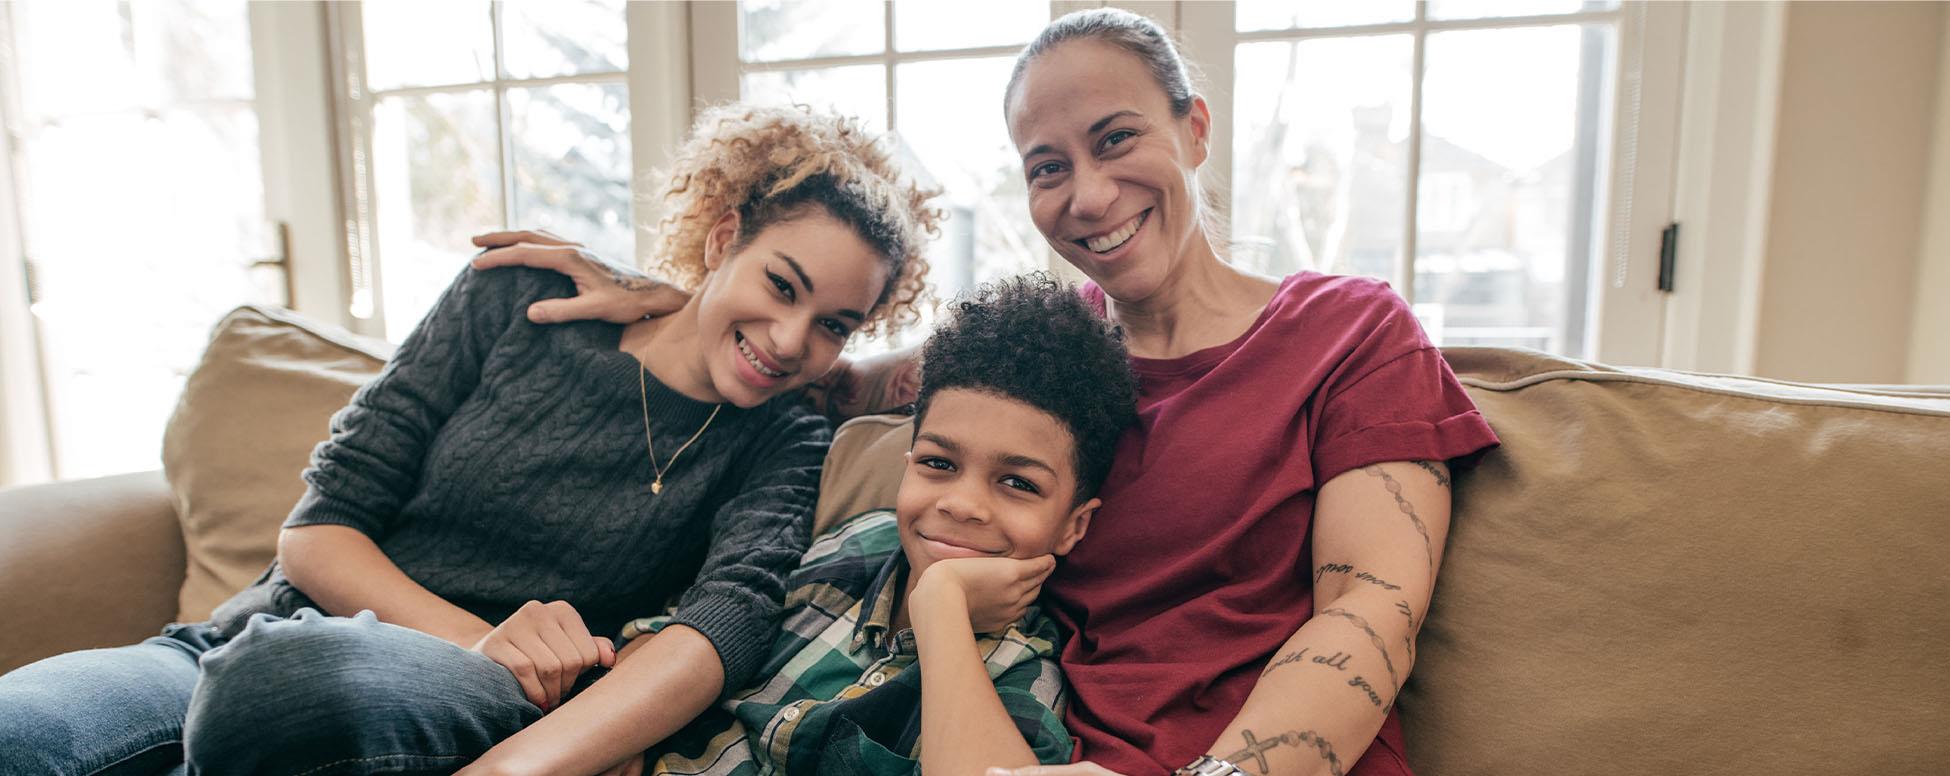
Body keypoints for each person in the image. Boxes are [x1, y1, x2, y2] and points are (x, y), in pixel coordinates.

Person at [476, 9, 1500, 776]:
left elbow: (1368, 609)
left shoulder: (1350, 331)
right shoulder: (1041, 367)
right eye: (1045, 166)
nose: (1087, 196)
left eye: (1117, 139)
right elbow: (817, 363)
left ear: (1193, 129)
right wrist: (669, 301)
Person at [0, 103, 939, 776]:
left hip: (441, 696)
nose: (791, 341)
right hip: (243, 637)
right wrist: (491, 639)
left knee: (281, 686)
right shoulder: (517, 299)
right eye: (781, 284)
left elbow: (721, 628)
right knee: (22, 727)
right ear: (721, 237)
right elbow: (317, 530)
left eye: (835, 324)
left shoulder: (780, 437)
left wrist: (496, 680)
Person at [574, 273, 1137, 775]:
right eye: (940, 464)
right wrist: (619, 725)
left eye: (1018, 483)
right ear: (909, 463)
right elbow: (683, 630)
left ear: (1073, 526)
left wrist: (940, 606)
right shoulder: (849, 545)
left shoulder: (1023, 675)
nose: (963, 504)